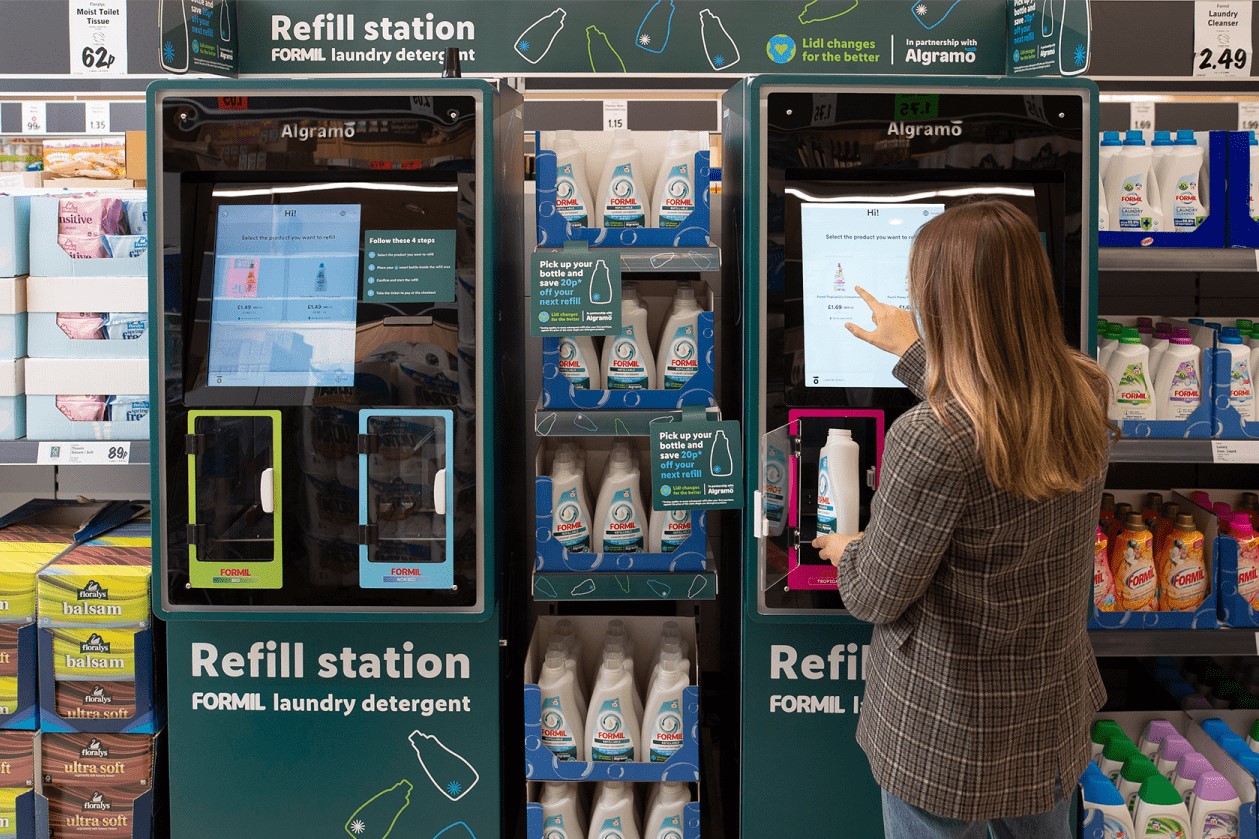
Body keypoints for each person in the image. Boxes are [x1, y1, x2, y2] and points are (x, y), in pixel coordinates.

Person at [813, 200, 1116, 838]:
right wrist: (916, 351)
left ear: (942, 300)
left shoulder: (930, 436)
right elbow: (999, 411)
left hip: (950, 730)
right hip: (1046, 713)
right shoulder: (1084, 388)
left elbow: (875, 594)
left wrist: (848, 549)